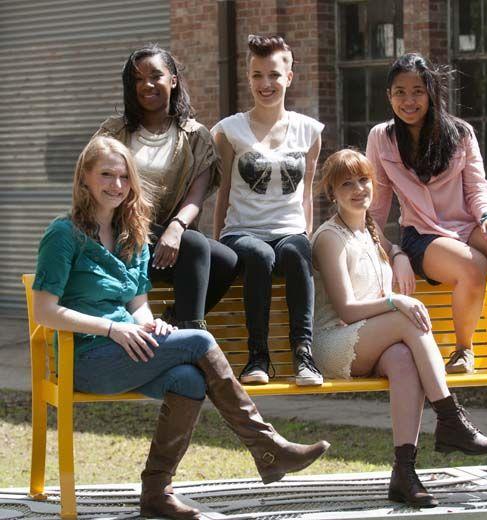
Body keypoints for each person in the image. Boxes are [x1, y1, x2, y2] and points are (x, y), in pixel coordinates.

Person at [31, 136, 329, 520]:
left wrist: (150, 324)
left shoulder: (131, 232)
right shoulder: (63, 234)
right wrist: (112, 329)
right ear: (84, 177)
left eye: (124, 176)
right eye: (106, 174)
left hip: (129, 348)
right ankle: (269, 448)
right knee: (200, 339)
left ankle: (156, 491)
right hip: (85, 357)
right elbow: (44, 311)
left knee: (188, 378)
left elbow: (137, 302)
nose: (116, 185)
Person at [311, 149, 487, 508]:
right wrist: (394, 301)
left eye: (364, 180)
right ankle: (450, 418)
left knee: (403, 359)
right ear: (332, 193)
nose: (358, 189)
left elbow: (391, 246)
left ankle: (404, 473)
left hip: (374, 339)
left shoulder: (370, 232)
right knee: (406, 316)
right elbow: (347, 310)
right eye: (347, 183)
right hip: (335, 342)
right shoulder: (329, 238)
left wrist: (399, 255)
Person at [366, 53, 487, 376]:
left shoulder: (461, 134)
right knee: (473, 265)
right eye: (400, 92)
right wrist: (381, 251)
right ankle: (464, 351)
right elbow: (376, 207)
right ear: (389, 96)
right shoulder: (382, 138)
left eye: (417, 91)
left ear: (431, 92)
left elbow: (477, 189)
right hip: (423, 236)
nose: (409, 100)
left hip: (467, 225)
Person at [95, 44, 237, 330]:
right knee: (196, 244)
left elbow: (196, 195)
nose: (146, 84)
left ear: (172, 80)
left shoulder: (196, 136)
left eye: (155, 76)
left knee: (228, 260)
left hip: (167, 243)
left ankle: (176, 321)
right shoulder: (114, 132)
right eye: (137, 79)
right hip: (119, 235)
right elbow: (93, 182)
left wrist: (175, 227)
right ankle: (192, 337)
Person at [212, 35, 323, 386]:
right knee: (258, 255)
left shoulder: (309, 131)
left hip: (289, 230)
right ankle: (257, 356)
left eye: (274, 75)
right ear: (248, 77)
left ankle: (304, 355)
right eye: (257, 75)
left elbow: (306, 195)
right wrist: (219, 242)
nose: (266, 84)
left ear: (289, 77)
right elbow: (223, 191)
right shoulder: (229, 131)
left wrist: (305, 234)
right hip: (242, 232)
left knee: (298, 251)